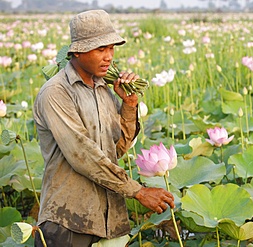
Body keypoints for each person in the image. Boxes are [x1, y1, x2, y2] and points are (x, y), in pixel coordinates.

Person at [33, 9, 175, 247]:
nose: (109, 57)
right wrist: (138, 191)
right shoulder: (55, 93)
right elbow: (83, 155)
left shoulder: (102, 89)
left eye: (111, 48)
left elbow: (115, 150)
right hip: (68, 220)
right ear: (77, 51)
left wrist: (129, 105)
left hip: (106, 218)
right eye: (101, 49)